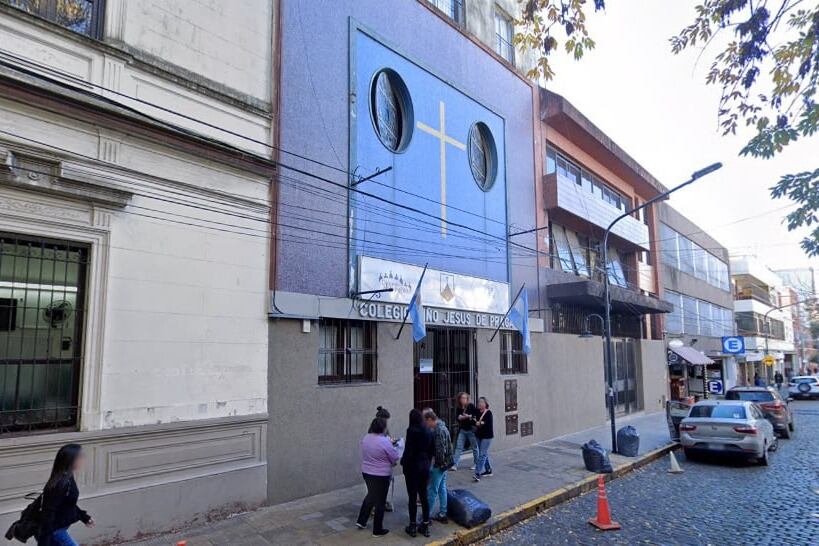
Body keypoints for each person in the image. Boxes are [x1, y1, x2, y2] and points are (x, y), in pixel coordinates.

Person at [37, 444, 94, 546]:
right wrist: (44, 542)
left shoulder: (67, 477)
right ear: (71, 459)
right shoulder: (61, 483)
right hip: (54, 531)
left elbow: (68, 503)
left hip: (57, 529)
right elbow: (48, 512)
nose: (83, 459)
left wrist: (84, 517)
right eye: (81, 456)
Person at [356, 417, 399, 537]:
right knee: (380, 501)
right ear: (382, 428)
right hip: (381, 475)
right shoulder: (384, 441)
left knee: (371, 495)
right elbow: (394, 457)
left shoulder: (366, 438)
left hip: (367, 472)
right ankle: (377, 530)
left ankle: (361, 521)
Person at [400, 409, 434, 538]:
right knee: (424, 495)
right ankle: (425, 525)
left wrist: (404, 463)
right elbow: (432, 450)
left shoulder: (412, 431)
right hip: (424, 466)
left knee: (412, 497)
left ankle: (413, 525)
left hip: (413, 467)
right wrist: (427, 463)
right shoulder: (428, 431)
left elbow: (409, 451)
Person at [423, 408, 453, 524]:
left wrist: (437, 465)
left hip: (439, 465)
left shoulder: (438, 431)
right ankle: (443, 513)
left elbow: (440, 451)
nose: (426, 425)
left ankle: (427, 515)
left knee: (432, 490)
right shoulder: (443, 427)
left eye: (426, 422)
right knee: (442, 488)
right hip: (445, 464)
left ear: (430, 419)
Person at [375, 406, 396, 512]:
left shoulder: (384, 429)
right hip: (380, 463)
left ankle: (383, 502)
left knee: (386, 483)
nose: (387, 422)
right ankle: (376, 505)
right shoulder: (376, 430)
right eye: (386, 420)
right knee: (378, 486)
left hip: (385, 462)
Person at [451, 392, 479, 471]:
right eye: (461, 398)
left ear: (467, 399)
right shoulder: (459, 408)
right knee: (458, 447)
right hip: (463, 430)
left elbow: (476, 416)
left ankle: (476, 464)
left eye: (464, 398)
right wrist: (460, 418)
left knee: (475, 447)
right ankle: (455, 465)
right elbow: (457, 418)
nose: (463, 399)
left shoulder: (471, 406)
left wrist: (468, 416)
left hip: (471, 430)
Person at [473, 397, 494, 482]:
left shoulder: (488, 413)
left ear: (486, 404)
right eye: (479, 402)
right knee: (483, 453)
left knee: (481, 454)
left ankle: (477, 473)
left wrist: (481, 422)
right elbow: (474, 421)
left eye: (482, 402)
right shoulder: (477, 412)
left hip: (487, 436)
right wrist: (475, 421)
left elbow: (487, 423)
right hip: (479, 436)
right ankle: (488, 470)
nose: (480, 404)